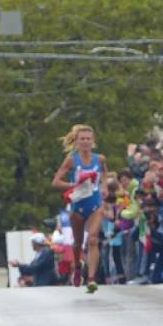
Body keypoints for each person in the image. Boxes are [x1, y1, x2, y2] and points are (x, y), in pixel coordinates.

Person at [52, 124, 108, 293]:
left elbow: (104, 173)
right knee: (78, 242)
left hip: (95, 204)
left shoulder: (100, 159)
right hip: (77, 205)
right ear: (76, 142)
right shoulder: (71, 160)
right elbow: (55, 182)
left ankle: (91, 278)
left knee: (93, 239)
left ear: (93, 141)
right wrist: (74, 185)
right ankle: (77, 266)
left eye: (88, 139)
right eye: (82, 139)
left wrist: (104, 187)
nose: (85, 142)